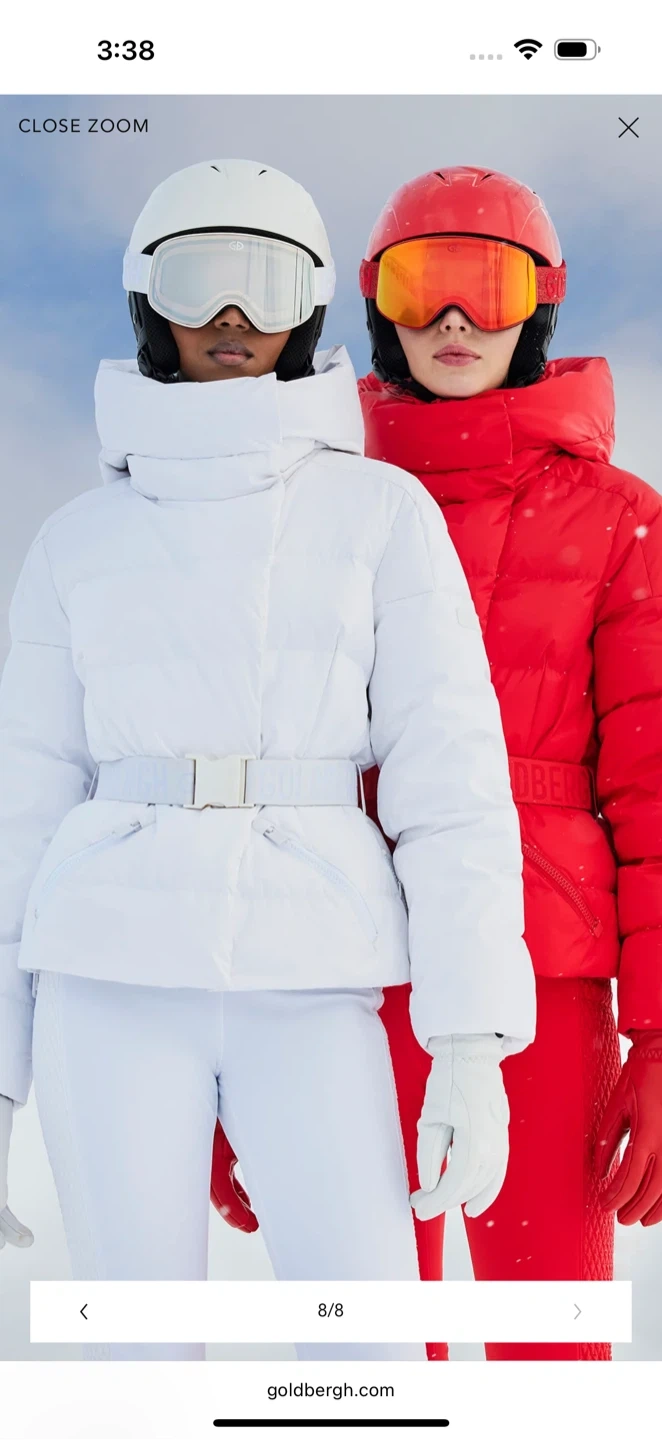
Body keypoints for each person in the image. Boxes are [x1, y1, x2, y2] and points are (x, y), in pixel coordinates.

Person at [0, 159, 535, 1362]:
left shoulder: (379, 514)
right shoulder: (77, 541)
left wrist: (468, 1042)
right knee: (136, 1360)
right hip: (106, 974)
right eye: (198, 280)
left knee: (370, 1352)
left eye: (267, 282)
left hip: (313, 968)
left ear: (310, 306)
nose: (233, 315)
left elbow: (450, 785)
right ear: (147, 300)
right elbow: (21, 801)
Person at [352, 164, 662, 1362]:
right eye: (421, 284)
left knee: (549, 1362)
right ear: (377, 302)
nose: (452, 319)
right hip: (347, 957)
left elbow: (650, 787)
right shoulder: (326, 506)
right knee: (373, 1359)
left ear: (538, 305)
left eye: (489, 286)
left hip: (549, 971)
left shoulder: (616, 518)